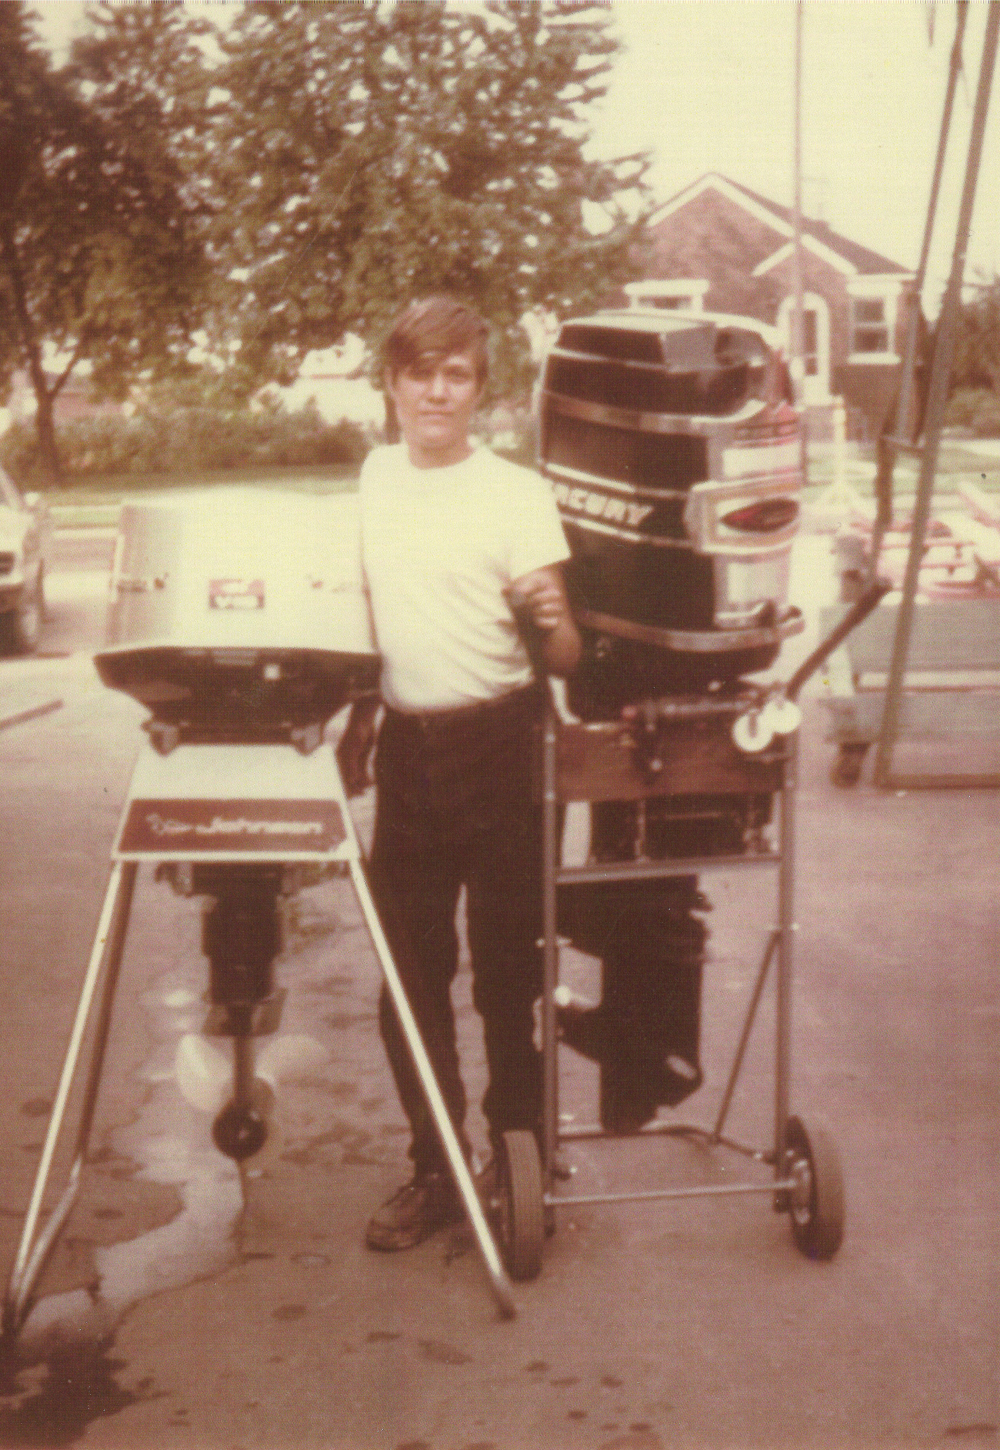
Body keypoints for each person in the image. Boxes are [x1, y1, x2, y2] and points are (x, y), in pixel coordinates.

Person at [337, 296, 580, 1251]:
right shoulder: (372, 478)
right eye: (420, 371)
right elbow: (372, 617)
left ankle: (519, 1163)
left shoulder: (517, 493)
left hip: (506, 749)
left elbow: (563, 659)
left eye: (457, 375)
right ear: (391, 382)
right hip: (410, 756)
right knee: (410, 978)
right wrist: (362, 713)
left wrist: (552, 614)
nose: (437, 391)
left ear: (480, 389)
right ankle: (435, 1167)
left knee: (507, 982)